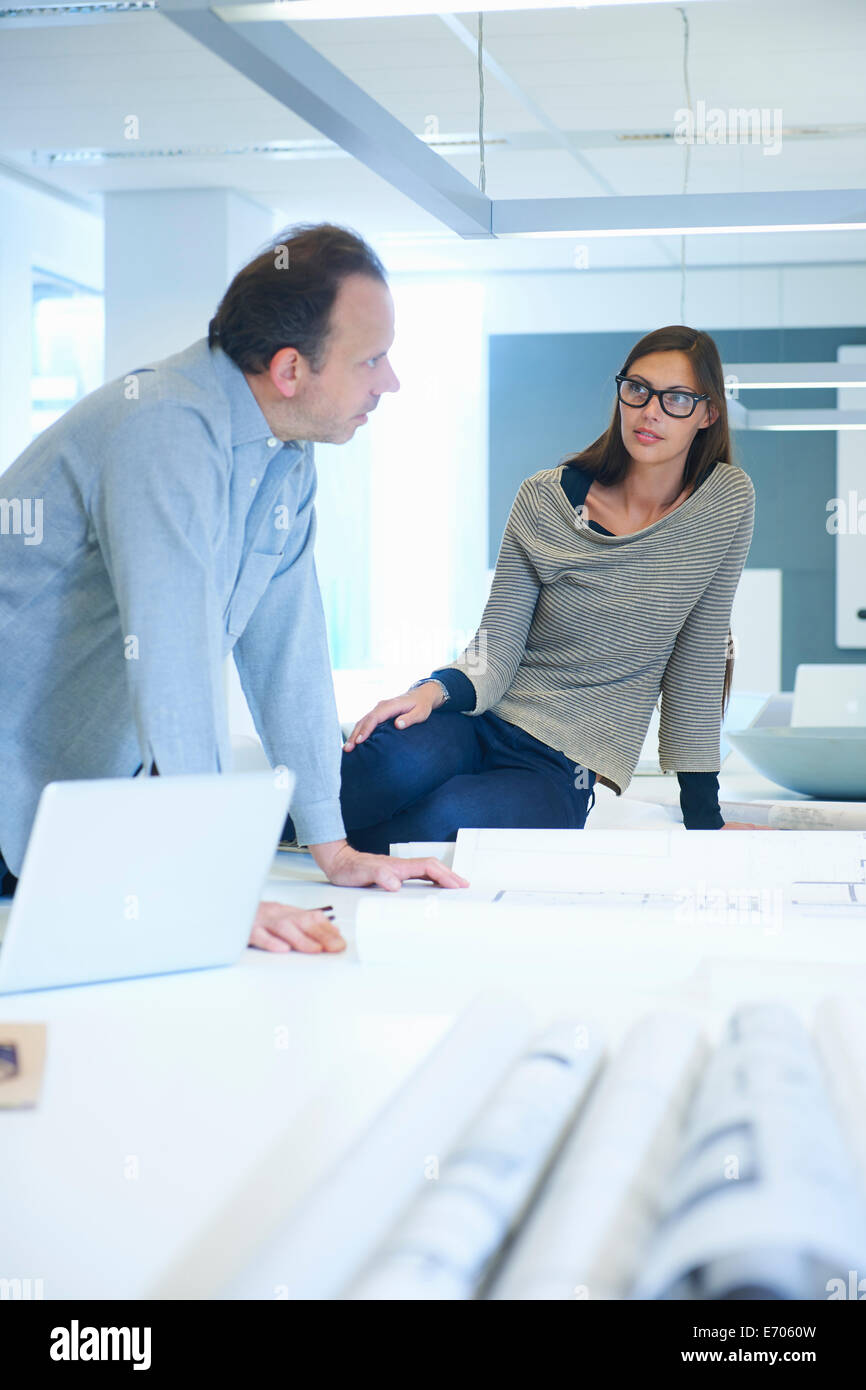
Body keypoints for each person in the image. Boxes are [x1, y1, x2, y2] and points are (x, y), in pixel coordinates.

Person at [0, 223, 467, 953]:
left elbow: (289, 648)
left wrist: (331, 844)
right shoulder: (165, 428)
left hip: (57, 808)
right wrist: (213, 887)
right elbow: (172, 659)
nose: (390, 382)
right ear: (289, 370)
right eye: (371, 359)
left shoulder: (287, 456)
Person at [339, 324, 766, 852]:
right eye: (637, 389)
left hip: (562, 770)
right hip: (484, 721)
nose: (650, 411)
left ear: (708, 414)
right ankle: (274, 831)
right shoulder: (545, 499)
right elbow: (496, 644)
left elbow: (697, 659)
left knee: (451, 818)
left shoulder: (724, 503)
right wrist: (429, 692)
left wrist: (705, 817)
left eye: (676, 398)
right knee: (389, 761)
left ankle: (330, 850)